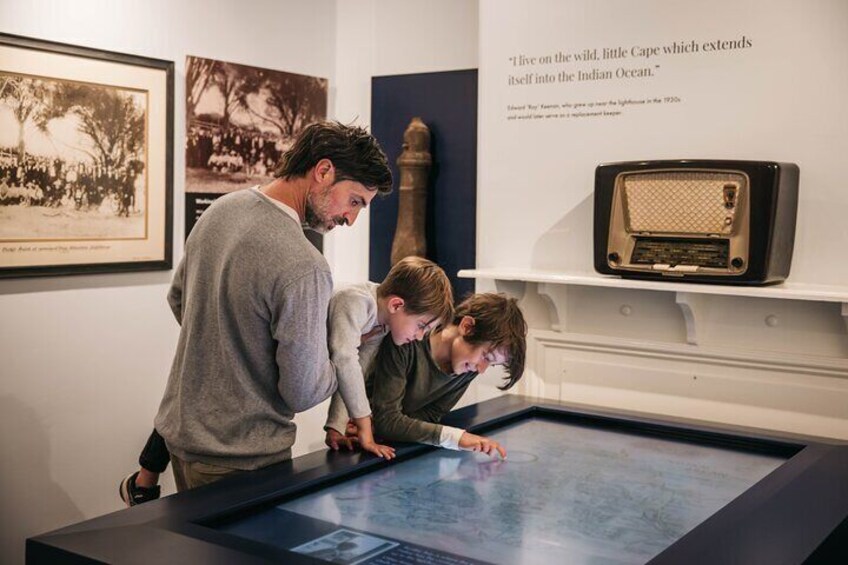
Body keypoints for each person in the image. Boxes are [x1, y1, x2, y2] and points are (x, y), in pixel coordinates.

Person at [119, 121, 392, 505]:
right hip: (242, 459)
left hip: (182, 441)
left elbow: (179, 298)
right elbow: (301, 391)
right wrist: (344, 347)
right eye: (354, 201)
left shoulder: (221, 209)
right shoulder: (305, 266)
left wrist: (233, 350)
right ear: (324, 171)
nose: (351, 218)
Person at [366, 293, 527, 458]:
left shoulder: (468, 369)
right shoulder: (405, 341)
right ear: (467, 327)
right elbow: (386, 420)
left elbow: (431, 414)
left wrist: (395, 426)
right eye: (486, 356)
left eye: (491, 364)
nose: (481, 369)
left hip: (384, 441)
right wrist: (457, 438)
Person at [323, 256, 455, 458]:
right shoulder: (355, 300)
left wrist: (336, 427)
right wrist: (365, 430)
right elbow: (345, 360)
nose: (420, 336)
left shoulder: (382, 324)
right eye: (421, 326)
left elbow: (357, 368)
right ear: (396, 305)